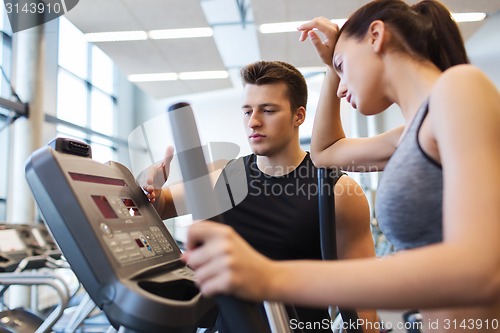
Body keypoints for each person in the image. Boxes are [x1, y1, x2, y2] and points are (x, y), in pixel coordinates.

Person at [182, 0, 500, 332]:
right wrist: (333, 66)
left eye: (342, 66)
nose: (343, 86)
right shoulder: (411, 134)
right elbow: (325, 152)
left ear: (376, 35)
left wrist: (270, 276)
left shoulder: (460, 86)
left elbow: (481, 270)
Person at [139, 61, 378, 332]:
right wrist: (151, 186)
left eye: (268, 110)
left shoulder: (338, 192)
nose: (253, 121)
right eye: (247, 111)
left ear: (298, 116)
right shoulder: (223, 177)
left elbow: (362, 298)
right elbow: (161, 205)